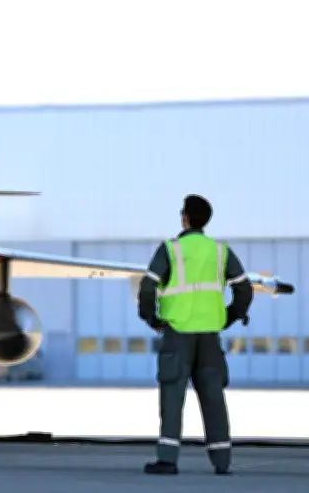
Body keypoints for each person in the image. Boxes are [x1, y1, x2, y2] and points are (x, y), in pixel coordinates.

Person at [137, 194, 253, 475]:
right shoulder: (221, 251)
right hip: (210, 337)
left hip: (178, 334)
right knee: (214, 397)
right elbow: (244, 290)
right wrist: (227, 317)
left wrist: (151, 318)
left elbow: (147, 287)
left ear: (184, 217)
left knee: (173, 395)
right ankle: (222, 462)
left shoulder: (170, 249)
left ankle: (167, 459)